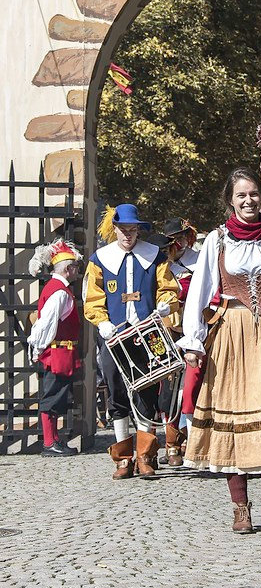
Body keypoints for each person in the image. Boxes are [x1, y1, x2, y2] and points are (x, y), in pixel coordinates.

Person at [177, 168, 261, 534]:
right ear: (230, 201)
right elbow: (201, 291)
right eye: (241, 195)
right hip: (230, 332)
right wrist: (194, 341)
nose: (248, 201)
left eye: (254, 194)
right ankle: (239, 507)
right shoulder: (217, 241)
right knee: (233, 418)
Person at [83, 204, 179, 480]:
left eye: (132, 230)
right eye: (123, 230)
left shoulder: (155, 257)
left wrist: (164, 305)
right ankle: (123, 458)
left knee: (148, 392)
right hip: (114, 336)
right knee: (117, 392)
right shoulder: (100, 259)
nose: (128, 235)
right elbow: (93, 297)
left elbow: (168, 289)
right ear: (114, 229)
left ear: (139, 230)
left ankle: (146, 455)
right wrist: (101, 321)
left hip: (147, 334)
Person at [27, 239, 83, 457]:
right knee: (52, 396)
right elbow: (46, 323)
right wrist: (38, 347)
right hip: (58, 352)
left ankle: (55, 439)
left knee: (59, 394)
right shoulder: (59, 291)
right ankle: (49, 442)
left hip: (62, 351)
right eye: (76, 267)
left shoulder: (58, 288)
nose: (78, 271)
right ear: (68, 269)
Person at [160, 217, 200, 467]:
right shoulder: (161, 265)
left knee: (194, 386)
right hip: (168, 331)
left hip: (196, 330)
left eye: (184, 235)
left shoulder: (200, 261)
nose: (181, 241)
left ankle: (194, 441)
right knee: (169, 388)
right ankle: (172, 443)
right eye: (176, 238)